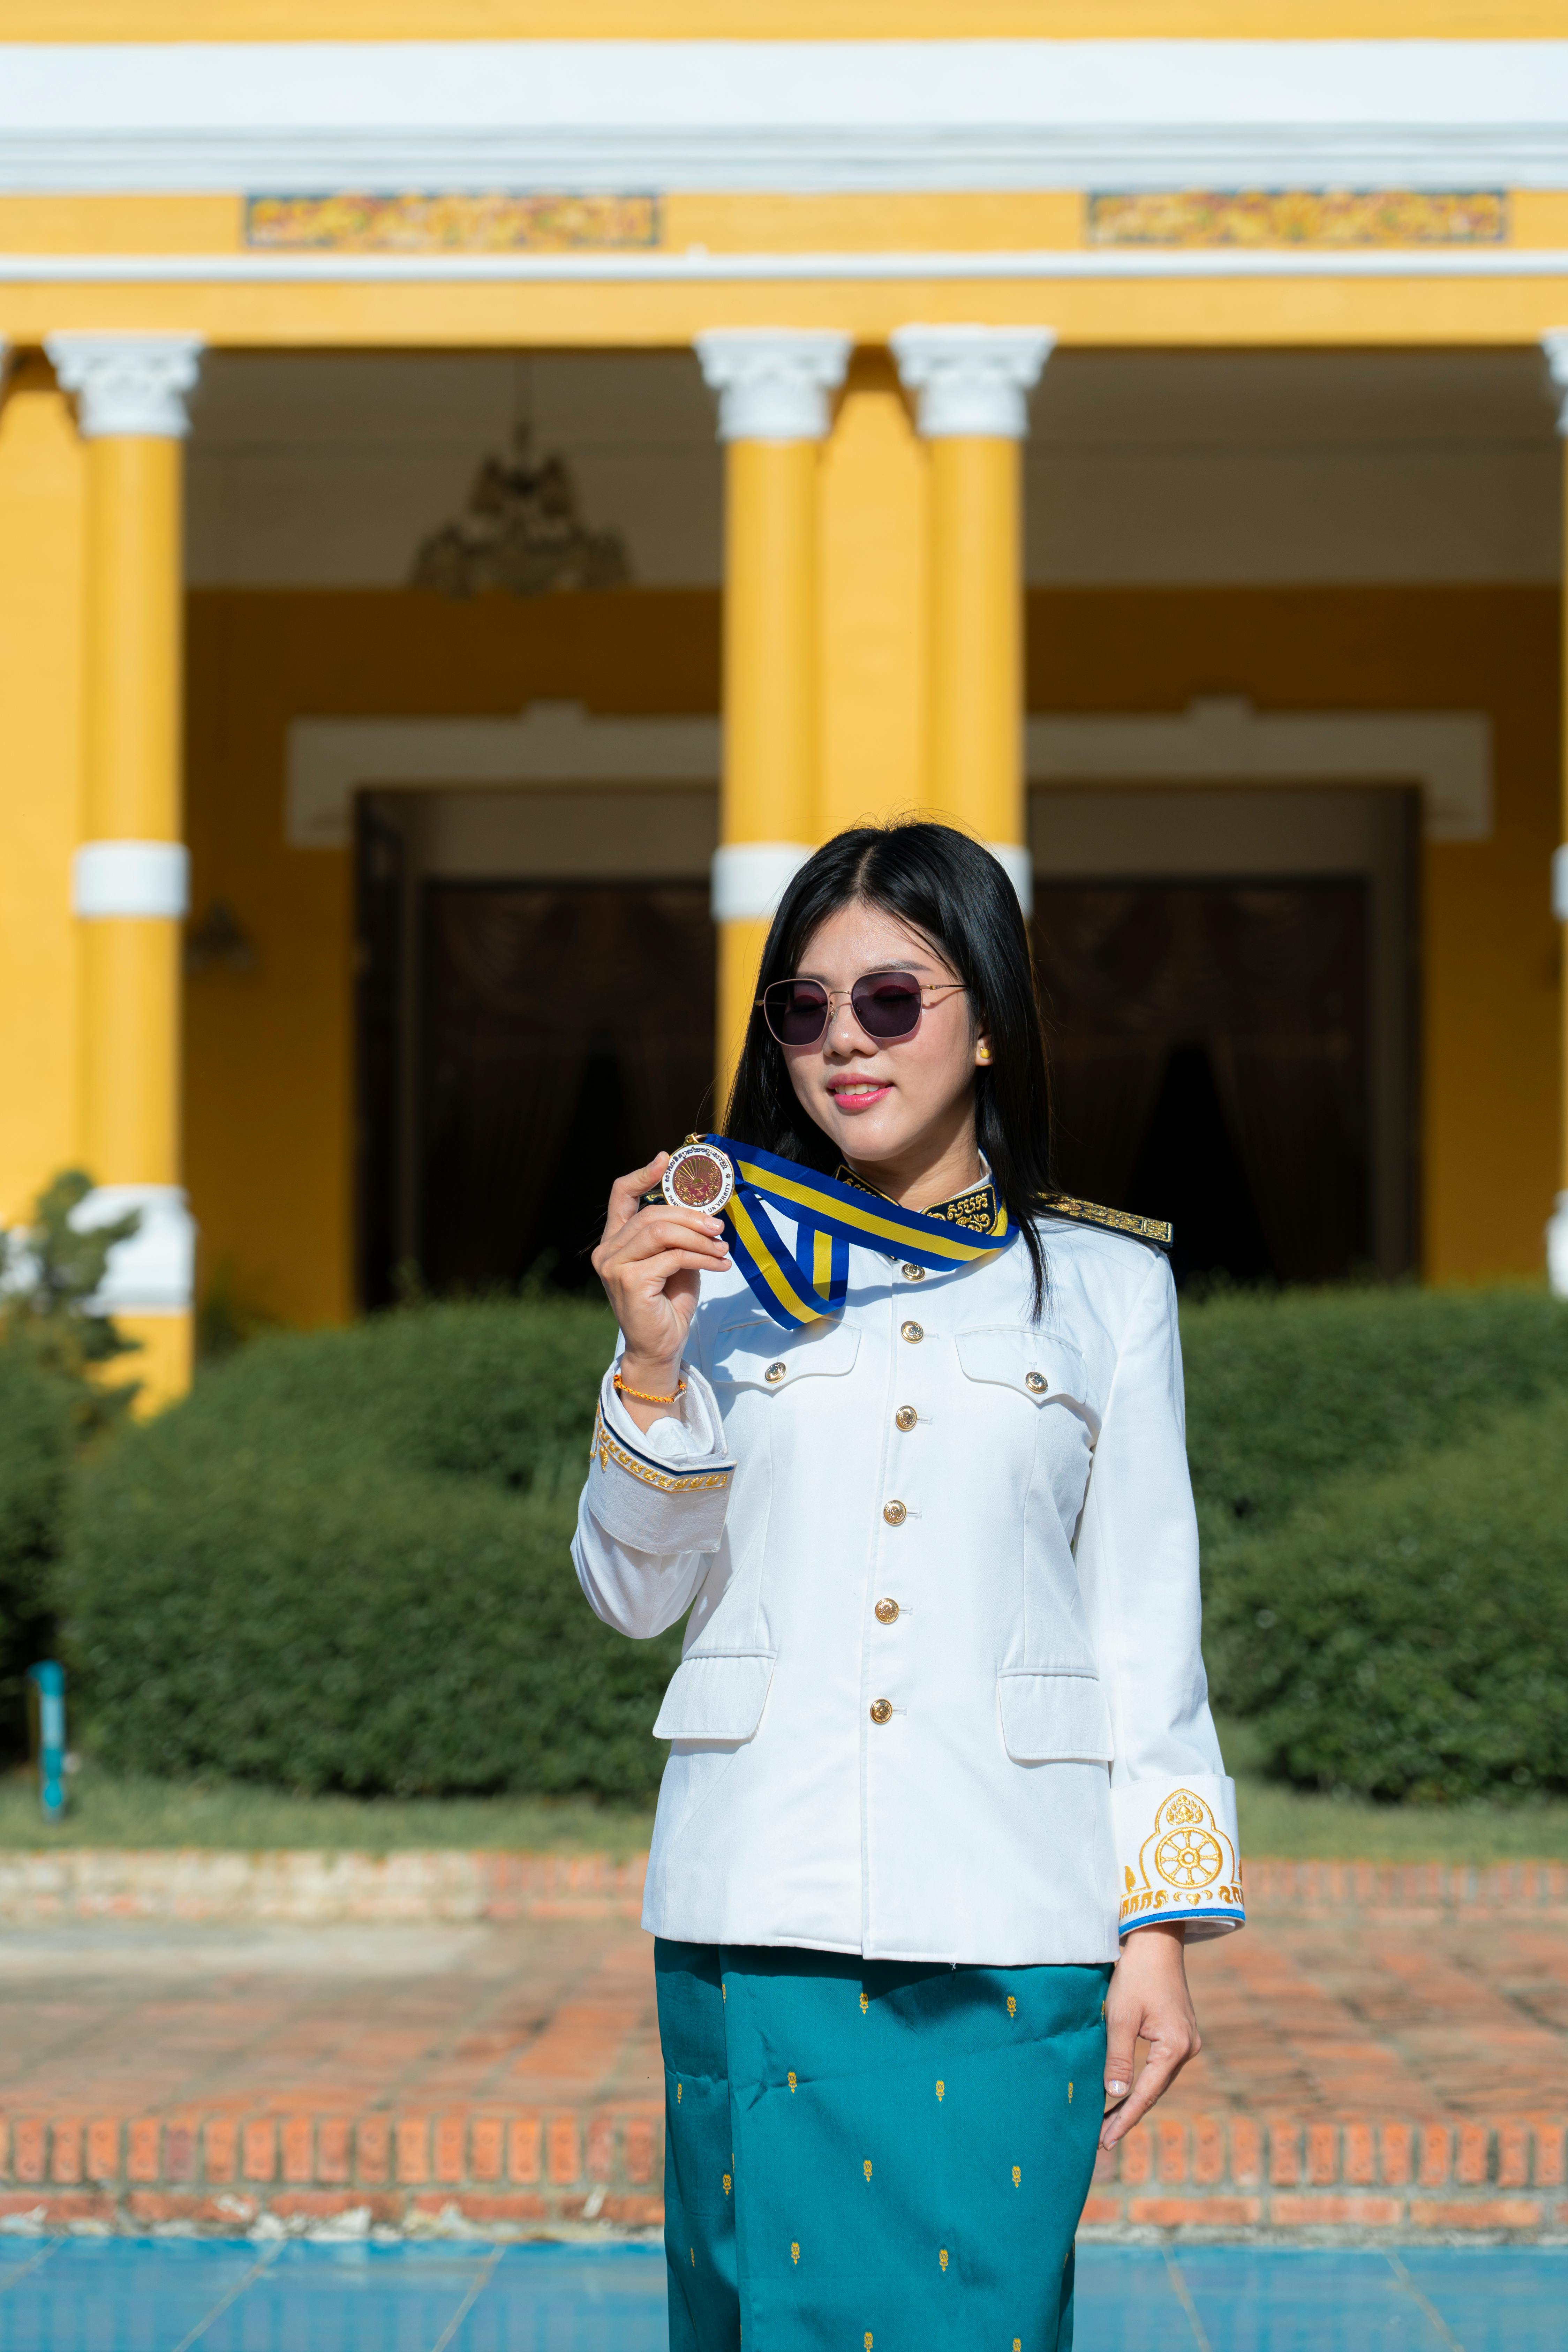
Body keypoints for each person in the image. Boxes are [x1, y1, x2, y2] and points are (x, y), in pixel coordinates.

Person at [574, 821, 1243, 2351]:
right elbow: (626, 1594)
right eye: (802, 1011)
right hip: (759, 1894)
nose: (842, 1043)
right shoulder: (712, 1274)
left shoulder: (1103, 1287)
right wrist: (651, 1364)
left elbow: (1145, 1627)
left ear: (987, 1016)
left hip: (1014, 1905)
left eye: (891, 999)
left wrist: (1159, 1927)